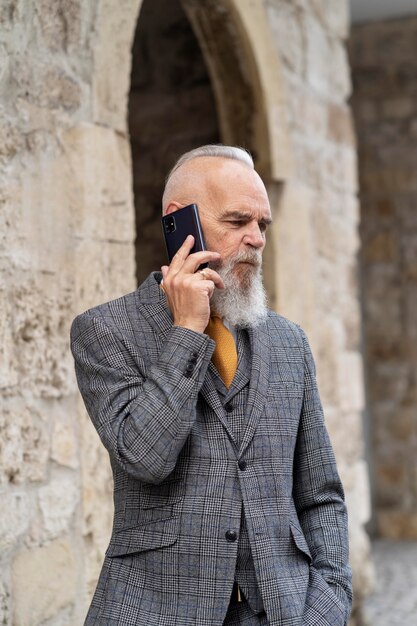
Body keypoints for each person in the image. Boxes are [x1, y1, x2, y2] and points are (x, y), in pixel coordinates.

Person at [71, 144, 352, 626]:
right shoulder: (104, 331)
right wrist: (184, 333)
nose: (256, 239)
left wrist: (329, 602)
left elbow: (320, 494)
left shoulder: (290, 343)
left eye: (261, 225)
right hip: (156, 612)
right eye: (238, 220)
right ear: (180, 223)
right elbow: (145, 457)